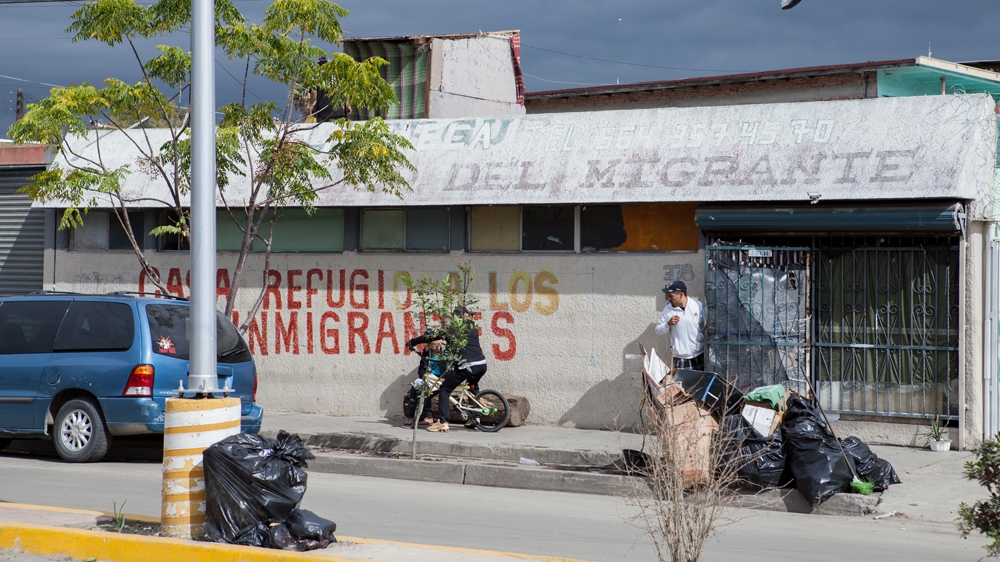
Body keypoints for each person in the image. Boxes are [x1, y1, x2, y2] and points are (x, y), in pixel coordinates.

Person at [427, 308, 488, 433]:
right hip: (482, 364)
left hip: (467, 365)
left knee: (445, 389)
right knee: (473, 386)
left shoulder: (452, 329)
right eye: (469, 315)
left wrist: (413, 342)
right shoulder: (472, 327)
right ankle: (476, 418)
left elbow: (431, 337)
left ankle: (443, 422)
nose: (471, 317)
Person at [654, 280, 707, 371]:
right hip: (680, 358)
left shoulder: (698, 306)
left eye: (671, 296)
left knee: (702, 384)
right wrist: (667, 324)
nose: (668, 299)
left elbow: (707, 326)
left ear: (681, 295)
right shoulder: (667, 310)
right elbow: (658, 331)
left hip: (700, 355)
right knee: (683, 385)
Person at [403, 332, 444, 427]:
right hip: (428, 378)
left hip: (439, 379)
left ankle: (429, 416)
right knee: (415, 387)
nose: (438, 347)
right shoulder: (427, 354)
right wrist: (423, 376)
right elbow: (421, 368)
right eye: (434, 345)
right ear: (429, 346)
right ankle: (411, 417)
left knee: (425, 390)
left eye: (439, 344)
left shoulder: (445, 354)